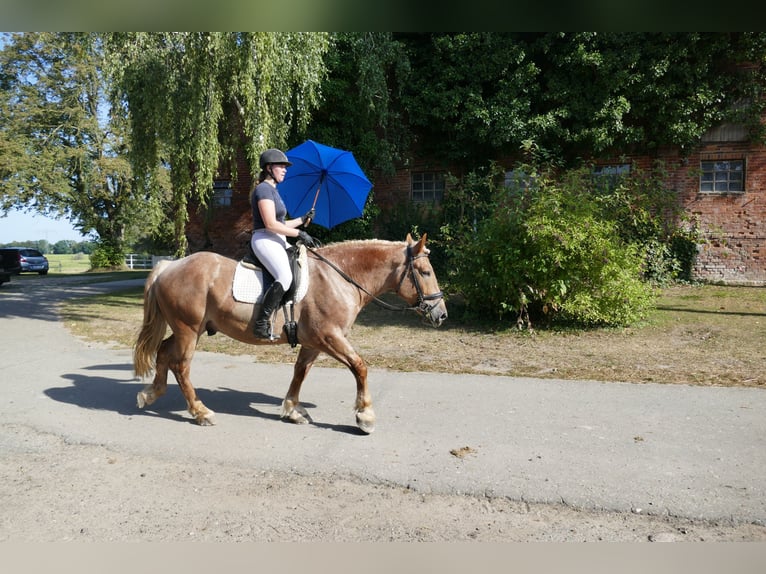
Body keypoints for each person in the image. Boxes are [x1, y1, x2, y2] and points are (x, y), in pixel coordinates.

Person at [250, 148, 318, 339]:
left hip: (276, 238)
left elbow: (280, 223)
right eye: (281, 166)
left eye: (285, 167)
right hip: (264, 238)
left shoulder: (273, 191)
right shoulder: (263, 189)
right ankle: (261, 323)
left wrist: (302, 219)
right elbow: (271, 224)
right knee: (285, 277)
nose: (285, 170)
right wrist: (299, 233)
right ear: (269, 168)